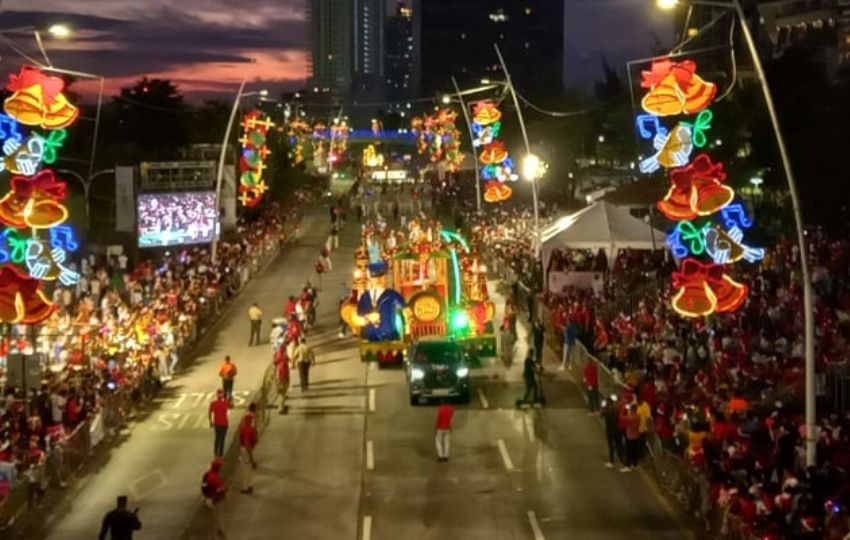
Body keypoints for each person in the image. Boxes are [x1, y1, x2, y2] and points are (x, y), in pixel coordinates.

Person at [201, 458, 227, 539]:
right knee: (216, 518)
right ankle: (215, 536)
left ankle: (217, 533)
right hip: (216, 501)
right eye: (221, 466)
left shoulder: (207, 474)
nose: (222, 468)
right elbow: (219, 491)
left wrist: (205, 495)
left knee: (213, 519)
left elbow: (203, 486)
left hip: (209, 499)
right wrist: (225, 489)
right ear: (218, 467)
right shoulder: (215, 478)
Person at [238, 403, 258, 494]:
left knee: (247, 468)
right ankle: (245, 488)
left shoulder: (243, 427)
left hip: (244, 449)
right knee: (246, 469)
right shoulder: (248, 430)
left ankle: (247, 485)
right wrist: (252, 458)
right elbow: (247, 444)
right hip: (246, 450)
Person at [208, 389, 230, 457]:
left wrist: (210, 422)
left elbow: (209, 412)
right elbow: (231, 405)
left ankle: (216, 452)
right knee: (222, 438)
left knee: (217, 437)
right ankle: (220, 453)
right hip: (224, 423)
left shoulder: (213, 403)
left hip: (217, 423)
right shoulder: (226, 403)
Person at [602, 397, 621, 469]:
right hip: (617, 429)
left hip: (610, 430)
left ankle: (612, 461)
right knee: (618, 444)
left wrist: (603, 408)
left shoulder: (607, 411)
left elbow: (602, 415)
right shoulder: (616, 410)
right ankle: (621, 459)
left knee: (611, 445)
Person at [621, 404, 641, 472]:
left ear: (632, 410)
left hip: (630, 436)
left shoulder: (631, 417)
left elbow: (621, 417)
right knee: (634, 451)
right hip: (636, 435)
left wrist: (624, 409)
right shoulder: (638, 417)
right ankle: (635, 465)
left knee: (628, 451)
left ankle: (628, 465)